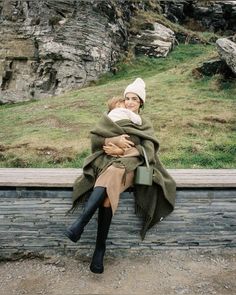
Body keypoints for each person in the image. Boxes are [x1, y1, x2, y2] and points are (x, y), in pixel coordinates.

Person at [65, 77, 176, 274]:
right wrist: (113, 139)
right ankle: (99, 249)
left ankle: (81, 224)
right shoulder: (113, 116)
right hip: (106, 163)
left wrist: (123, 152)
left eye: (135, 99)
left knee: (115, 171)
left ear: (141, 102)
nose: (130, 102)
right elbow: (96, 138)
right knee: (107, 198)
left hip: (132, 167)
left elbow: (149, 151)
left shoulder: (144, 123)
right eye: (127, 98)